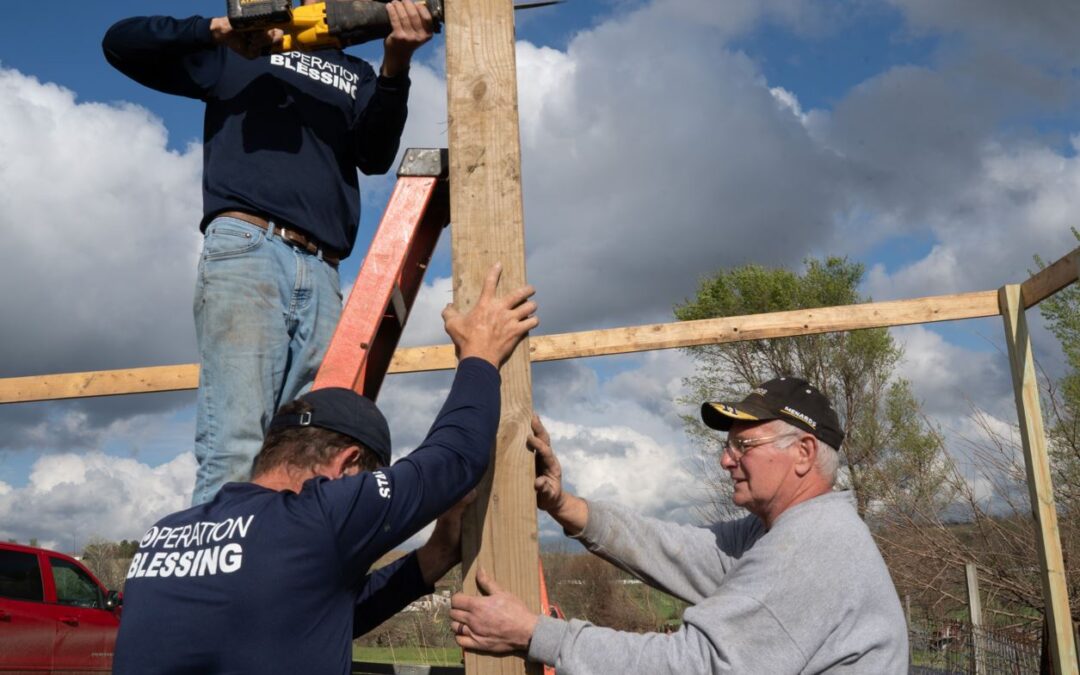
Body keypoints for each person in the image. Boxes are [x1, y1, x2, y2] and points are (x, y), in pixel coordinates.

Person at [113, 264, 538, 674]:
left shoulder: (163, 537)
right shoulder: (317, 516)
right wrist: (480, 354)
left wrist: (437, 553)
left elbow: (314, 620)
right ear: (348, 464)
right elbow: (456, 457)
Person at [101, 1, 435, 505]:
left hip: (322, 268)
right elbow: (121, 44)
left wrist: (396, 65)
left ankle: (280, 555)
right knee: (235, 445)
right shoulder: (243, 48)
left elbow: (374, 155)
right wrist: (219, 29)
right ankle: (217, 556)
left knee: (307, 453)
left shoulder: (357, 72)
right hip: (248, 248)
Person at [449, 377, 909, 674]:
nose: (726, 460)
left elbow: (695, 665)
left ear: (804, 453)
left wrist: (534, 634)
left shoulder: (812, 547)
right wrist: (563, 505)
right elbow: (673, 549)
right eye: (728, 446)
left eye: (744, 445)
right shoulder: (774, 533)